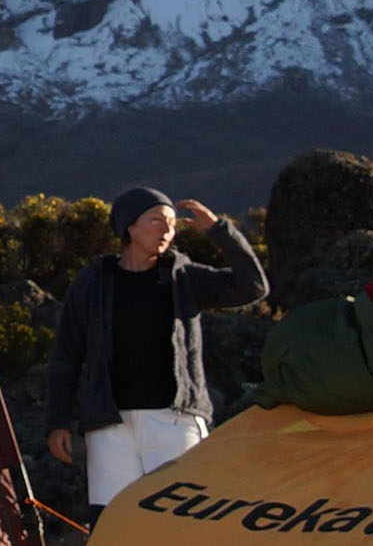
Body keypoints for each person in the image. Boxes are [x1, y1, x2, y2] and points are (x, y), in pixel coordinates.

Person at [46, 184, 269, 519]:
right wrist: (57, 421)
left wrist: (219, 231)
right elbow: (67, 355)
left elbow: (252, 286)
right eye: (156, 220)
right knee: (114, 523)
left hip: (174, 420)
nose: (167, 230)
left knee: (184, 520)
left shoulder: (184, 278)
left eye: (172, 222)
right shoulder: (93, 282)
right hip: (110, 426)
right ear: (129, 227)